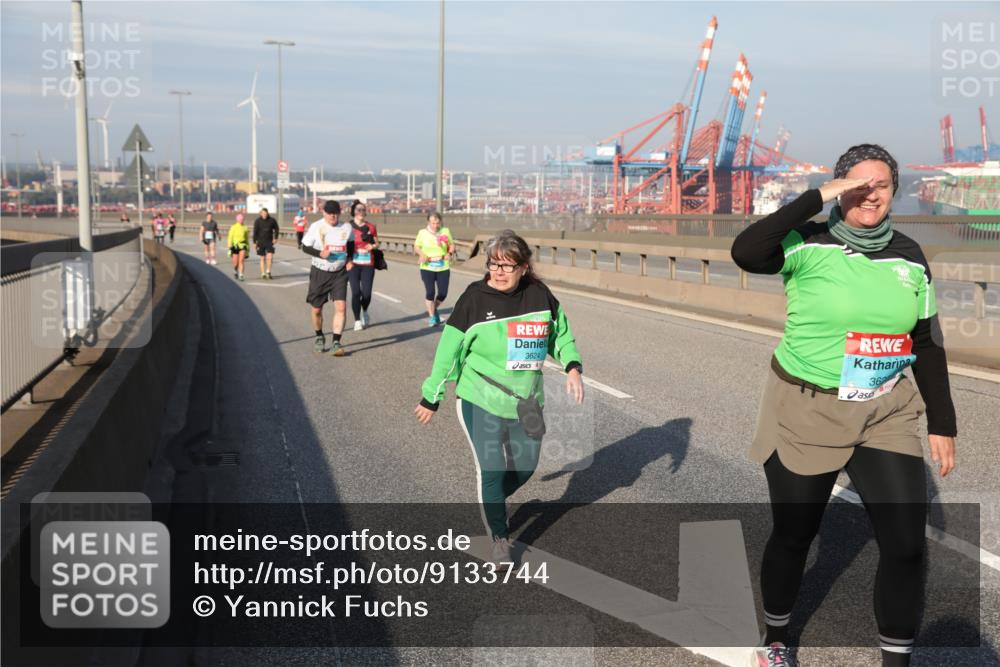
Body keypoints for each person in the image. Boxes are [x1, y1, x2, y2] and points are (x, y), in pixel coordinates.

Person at [730, 144, 957, 667]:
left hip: (885, 410)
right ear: (837, 188)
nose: (868, 194)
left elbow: (925, 341)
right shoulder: (806, 241)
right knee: (795, 534)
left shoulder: (909, 256)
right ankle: (777, 638)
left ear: (895, 193)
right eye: (857, 184)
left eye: (880, 184)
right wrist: (819, 195)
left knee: (905, 544)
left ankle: (896, 660)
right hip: (806, 407)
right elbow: (746, 251)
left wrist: (942, 421)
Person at [415, 230, 585, 563]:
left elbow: (560, 335)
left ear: (524, 267)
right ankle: (499, 538)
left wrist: (572, 366)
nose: (499, 272)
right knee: (492, 469)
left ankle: (492, 498)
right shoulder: (474, 299)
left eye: (508, 266)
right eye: (494, 264)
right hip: (480, 398)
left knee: (526, 467)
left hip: (527, 401)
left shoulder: (539, 295)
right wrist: (431, 396)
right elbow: (448, 353)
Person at [301, 200, 354, 356]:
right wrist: (319, 254)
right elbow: (304, 246)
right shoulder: (316, 227)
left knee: (341, 307)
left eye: (335, 212)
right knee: (316, 309)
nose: (333, 215)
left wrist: (350, 259)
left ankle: (336, 342)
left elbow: (350, 243)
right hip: (320, 271)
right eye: (330, 212)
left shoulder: (346, 227)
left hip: (339, 272)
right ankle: (319, 336)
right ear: (324, 212)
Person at [414, 211, 454, 326]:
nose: (435, 225)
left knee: (443, 293)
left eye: (437, 223)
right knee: (430, 292)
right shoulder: (422, 233)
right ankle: (432, 317)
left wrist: (449, 253)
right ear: (428, 222)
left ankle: (433, 309)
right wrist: (422, 254)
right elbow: (416, 246)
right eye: (433, 223)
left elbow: (451, 244)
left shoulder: (445, 231)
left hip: (443, 266)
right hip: (427, 267)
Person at [348, 200, 379, 331]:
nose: (361, 212)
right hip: (353, 264)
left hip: (368, 263)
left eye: (363, 210)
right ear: (353, 212)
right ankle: (356, 320)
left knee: (366, 294)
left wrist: (371, 246)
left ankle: (364, 310)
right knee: (356, 292)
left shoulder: (371, 227)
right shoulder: (347, 227)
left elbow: (377, 243)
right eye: (358, 210)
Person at [252, 207, 279, 279]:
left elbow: (276, 229)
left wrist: (275, 238)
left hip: (269, 241)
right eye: (263, 214)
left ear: (267, 213)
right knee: (262, 258)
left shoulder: (272, 220)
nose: (264, 215)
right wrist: (254, 242)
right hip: (260, 242)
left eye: (266, 214)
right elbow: (255, 232)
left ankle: (268, 272)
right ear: (261, 214)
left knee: (270, 257)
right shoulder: (257, 221)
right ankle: (263, 273)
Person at [227, 213, 250, 281]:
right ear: (237, 220)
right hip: (235, 245)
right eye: (240, 219)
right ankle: (235, 270)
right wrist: (229, 246)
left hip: (243, 245)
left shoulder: (245, 228)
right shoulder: (233, 227)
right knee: (235, 262)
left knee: (241, 260)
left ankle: (241, 275)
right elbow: (230, 237)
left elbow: (246, 239)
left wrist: (248, 249)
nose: (241, 220)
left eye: (242, 219)